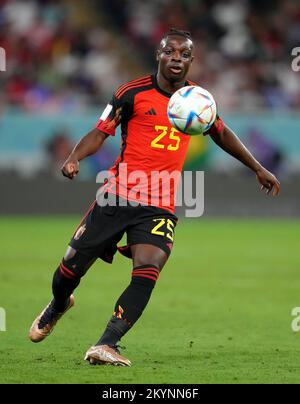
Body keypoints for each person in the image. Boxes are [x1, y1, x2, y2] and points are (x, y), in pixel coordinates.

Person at [29, 28, 280, 367]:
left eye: (185, 54)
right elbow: (99, 131)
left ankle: (107, 343)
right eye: (170, 51)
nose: (177, 58)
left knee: (148, 268)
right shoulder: (131, 93)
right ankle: (59, 304)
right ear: (159, 55)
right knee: (69, 271)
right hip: (118, 194)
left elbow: (220, 132)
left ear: (191, 61)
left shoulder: (198, 100)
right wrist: (75, 156)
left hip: (159, 204)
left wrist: (257, 167)